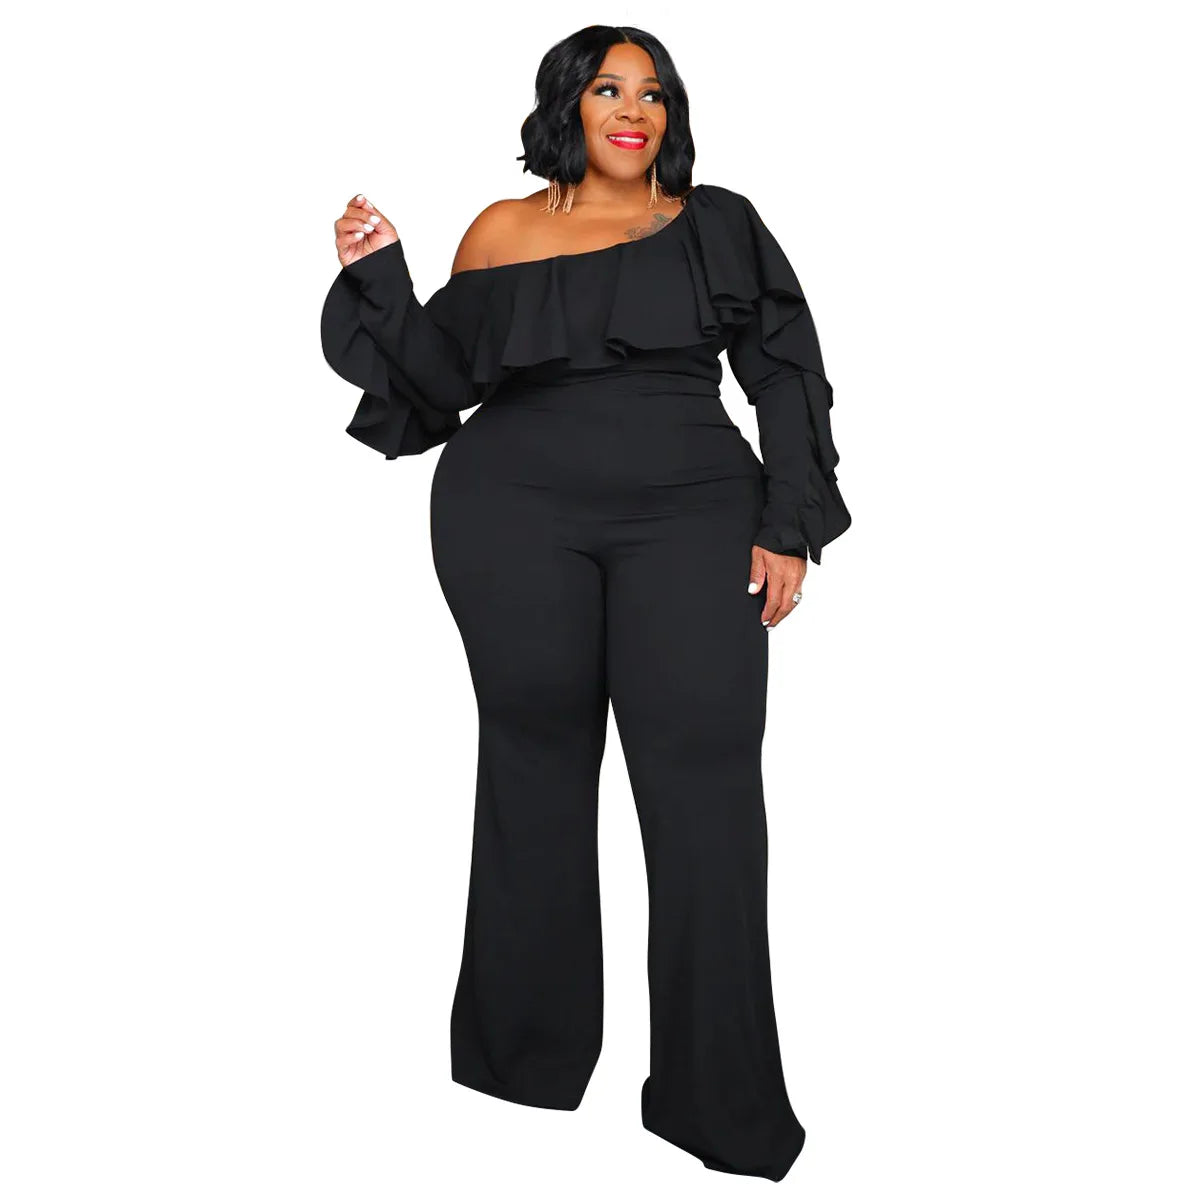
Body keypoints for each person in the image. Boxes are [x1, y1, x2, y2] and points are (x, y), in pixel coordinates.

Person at [319, 24, 851, 1183]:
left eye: (653, 92)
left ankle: (718, 1102)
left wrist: (788, 521)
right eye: (608, 88)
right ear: (568, 105)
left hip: (695, 514)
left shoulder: (719, 224)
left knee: (706, 786)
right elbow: (442, 386)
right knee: (533, 761)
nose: (633, 110)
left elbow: (785, 370)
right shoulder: (501, 231)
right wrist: (383, 277)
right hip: (512, 515)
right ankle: (522, 1060)